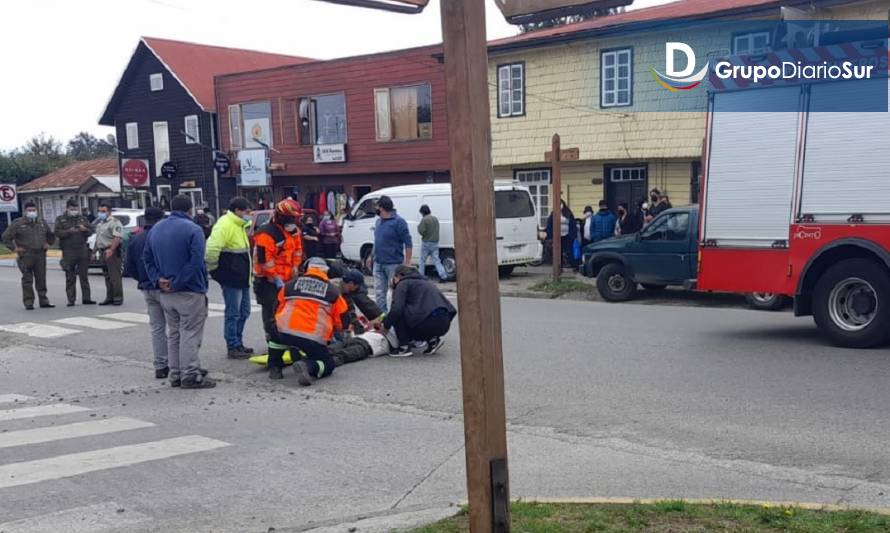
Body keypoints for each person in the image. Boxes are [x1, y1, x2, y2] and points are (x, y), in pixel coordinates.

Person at [143, 194, 214, 389]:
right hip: (189, 290)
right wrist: (178, 281)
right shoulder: (193, 229)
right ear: (190, 210)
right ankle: (190, 374)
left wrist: (159, 279)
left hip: (165, 291)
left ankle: (175, 373)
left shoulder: (156, 228)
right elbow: (196, 261)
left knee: (173, 333)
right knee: (190, 332)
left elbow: (147, 258)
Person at [266, 257, 348, 384]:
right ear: (326, 272)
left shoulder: (290, 285)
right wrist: (338, 332)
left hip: (285, 332)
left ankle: (275, 367)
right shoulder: (332, 292)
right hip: (312, 338)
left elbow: (277, 308)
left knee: (275, 334)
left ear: (306, 269)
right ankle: (308, 366)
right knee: (327, 363)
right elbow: (342, 320)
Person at [206, 197, 255, 359]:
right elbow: (212, 249)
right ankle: (233, 345)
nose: (249, 215)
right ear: (238, 210)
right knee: (233, 313)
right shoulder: (225, 224)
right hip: (232, 278)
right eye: (247, 212)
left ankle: (238, 343)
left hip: (242, 278)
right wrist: (215, 270)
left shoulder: (239, 225)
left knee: (245, 311)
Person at [124, 207, 169, 379]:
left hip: (147, 287)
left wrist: (142, 279)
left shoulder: (136, 239)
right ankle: (177, 364)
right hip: (165, 287)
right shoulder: (162, 237)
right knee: (175, 328)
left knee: (157, 328)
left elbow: (129, 267)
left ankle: (160, 365)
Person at [253, 199, 304, 342]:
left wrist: (295, 266)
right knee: (271, 312)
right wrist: (274, 277)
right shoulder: (266, 234)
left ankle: (287, 338)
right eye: (291, 218)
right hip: (268, 281)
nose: (294, 221)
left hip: (288, 278)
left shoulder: (294, 231)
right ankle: (272, 341)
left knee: (288, 311)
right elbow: (264, 260)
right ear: (281, 216)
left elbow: (298, 251)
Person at [383, 265, 456, 356]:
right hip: (444, 323)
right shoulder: (427, 283)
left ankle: (404, 347)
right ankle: (432, 340)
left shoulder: (403, 283)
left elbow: (397, 310)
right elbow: (450, 307)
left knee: (397, 314)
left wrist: (386, 325)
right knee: (420, 314)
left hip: (425, 322)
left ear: (399, 276)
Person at [2, 201, 55, 310]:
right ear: (25, 211)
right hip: (26, 254)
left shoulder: (41, 222)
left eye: (33, 210)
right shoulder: (18, 223)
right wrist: (14, 248)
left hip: (40, 254)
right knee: (27, 279)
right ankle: (29, 302)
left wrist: (48, 243)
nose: (32, 212)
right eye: (29, 210)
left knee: (41, 279)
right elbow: (6, 237)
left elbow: (50, 235)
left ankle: (43, 300)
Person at [373, 195, 412, 312]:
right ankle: (382, 318)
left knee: (394, 293)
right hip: (378, 262)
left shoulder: (399, 222)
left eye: (377, 206)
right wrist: (372, 255)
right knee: (379, 293)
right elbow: (377, 239)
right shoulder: (378, 221)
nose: (376, 209)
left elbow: (408, 243)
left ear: (381, 207)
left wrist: (407, 263)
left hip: (393, 264)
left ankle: (395, 319)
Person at [54, 198, 95, 307]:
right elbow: (56, 232)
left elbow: (91, 231)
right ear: (67, 208)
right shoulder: (61, 219)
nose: (74, 211)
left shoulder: (82, 218)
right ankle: (71, 299)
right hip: (68, 251)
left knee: (84, 276)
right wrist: (68, 231)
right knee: (70, 276)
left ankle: (87, 298)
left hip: (82, 250)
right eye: (72, 209)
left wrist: (84, 229)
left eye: (76, 209)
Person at [93, 202, 124, 306]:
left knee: (114, 276)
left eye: (103, 211)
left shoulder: (115, 222)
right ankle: (109, 297)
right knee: (107, 276)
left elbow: (117, 237)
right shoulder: (100, 224)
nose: (101, 213)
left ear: (109, 212)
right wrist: (94, 252)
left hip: (112, 251)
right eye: (99, 211)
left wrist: (111, 250)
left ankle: (117, 298)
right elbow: (98, 239)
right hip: (102, 251)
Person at [339, 269, 385, 334]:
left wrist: (357, 325)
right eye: (357, 286)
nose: (357, 288)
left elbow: (351, 309)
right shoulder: (337, 292)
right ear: (351, 283)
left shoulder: (350, 291)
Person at [417, 204, 448, 283]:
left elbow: (421, 231)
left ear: (423, 212)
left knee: (422, 261)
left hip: (426, 243)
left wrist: (418, 227)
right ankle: (443, 276)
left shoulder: (424, 220)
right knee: (436, 260)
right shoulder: (435, 219)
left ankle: (421, 277)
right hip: (435, 243)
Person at [545, 200, 577, 268]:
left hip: (567, 236)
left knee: (569, 251)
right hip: (557, 237)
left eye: (561, 204)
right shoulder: (553, 214)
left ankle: (572, 264)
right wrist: (550, 236)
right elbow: (549, 225)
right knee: (558, 252)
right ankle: (559, 266)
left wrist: (573, 235)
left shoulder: (568, 213)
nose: (560, 206)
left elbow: (573, 224)